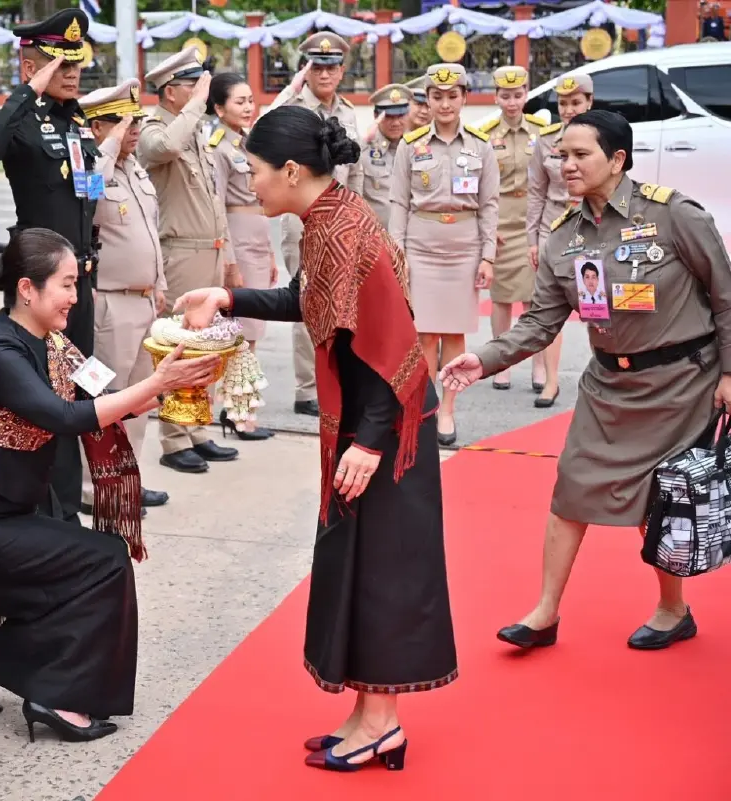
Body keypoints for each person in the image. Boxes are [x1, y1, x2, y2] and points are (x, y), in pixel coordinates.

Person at [175, 107, 456, 772]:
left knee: (384, 573)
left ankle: (383, 722)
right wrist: (228, 297)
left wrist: (371, 441)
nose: (251, 183)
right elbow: (307, 301)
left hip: (384, 428)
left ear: (292, 171)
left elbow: (395, 345)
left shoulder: (341, 229)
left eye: (256, 171)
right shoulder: (328, 217)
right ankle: (365, 711)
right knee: (358, 567)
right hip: (366, 422)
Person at [0, 227, 221, 743]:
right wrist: (153, 387)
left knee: (80, 584)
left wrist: (173, 386)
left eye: (78, 283)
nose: (76, 297)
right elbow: (61, 415)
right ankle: (55, 695)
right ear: (27, 289)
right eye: (67, 284)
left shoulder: (54, 343)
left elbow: (108, 395)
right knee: (103, 562)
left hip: (19, 511)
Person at [440, 110, 731, 650]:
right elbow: (539, 322)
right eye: (561, 155)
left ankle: (673, 609)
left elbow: (725, 296)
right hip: (608, 387)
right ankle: (545, 613)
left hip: (682, 384)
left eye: (580, 155)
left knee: (661, 499)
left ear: (617, 159)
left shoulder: (673, 217)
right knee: (572, 487)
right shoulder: (564, 238)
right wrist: (484, 360)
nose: (566, 165)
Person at [0, 7, 99, 523]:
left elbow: (86, 202)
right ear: (31, 65)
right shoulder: (24, 118)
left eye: (76, 63)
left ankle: (66, 508)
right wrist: (28, 91)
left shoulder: (77, 119)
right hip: (39, 285)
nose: (71, 72)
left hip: (80, 282)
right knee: (43, 395)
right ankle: (43, 510)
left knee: (80, 386)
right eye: (58, 63)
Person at [137, 47, 239, 473]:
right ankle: (175, 439)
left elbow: (214, 200)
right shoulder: (155, 126)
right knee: (179, 347)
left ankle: (198, 430)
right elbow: (160, 149)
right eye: (192, 86)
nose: (201, 92)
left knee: (206, 345)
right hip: (180, 252)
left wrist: (229, 254)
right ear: (171, 91)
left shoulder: (194, 130)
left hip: (209, 249)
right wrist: (197, 106)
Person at [388, 62, 499, 446]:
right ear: (428, 100)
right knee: (422, 335)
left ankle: (447, 412)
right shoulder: (410, 144)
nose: (446, 103)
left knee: (454, 335)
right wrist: (396, 252)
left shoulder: (481, 146)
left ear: (465, 98)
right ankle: (424, 408)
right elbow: (399, 203)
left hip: (464, 247)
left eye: (453, 96)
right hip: (421, 244)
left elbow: (489, 205)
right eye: (437, 96)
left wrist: (488, 256)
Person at [77, 78, 171, 512]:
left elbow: (149, 232)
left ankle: (127, 479)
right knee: (106, 398)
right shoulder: (94, 168)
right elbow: (84, 199)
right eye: (122, 122)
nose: (133, 130)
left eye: (136, 122)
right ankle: (97, 487)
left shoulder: (136, 170)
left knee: (140, 397)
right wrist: (109, 147)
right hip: (110, 303)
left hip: (145, 299)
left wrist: (162, 285)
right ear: (97, 127)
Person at [270, 33, 363, 420]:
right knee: (308, 302)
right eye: (317, 66)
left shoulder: (349, 111)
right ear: (306, 70)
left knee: (341, 302)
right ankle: (307, 389)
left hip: (341, 219)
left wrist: (357, 218)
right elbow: (265, 139)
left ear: (342, 71)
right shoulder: (294, 107)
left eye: (331, 66)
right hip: (304, 219)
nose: (324, 73)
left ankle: (336, 381)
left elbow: (354, 172)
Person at [477, 66, 553, 402]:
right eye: (505, 96)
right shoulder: (484, 134)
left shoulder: (542, 130)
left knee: (536, 298)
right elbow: (480, 187)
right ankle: (502, 361)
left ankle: (539, 363)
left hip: (535, 219)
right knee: (502, 297)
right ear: (496, 96)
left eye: (518, 94)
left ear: (527, 93)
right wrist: (487, 230)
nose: (511, 102)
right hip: (502, 220)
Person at [208, 71, 277, 441]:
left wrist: (267, 255)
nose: (248, 107)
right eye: (239, 101)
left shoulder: (249, 143)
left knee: (251, 335)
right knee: (240, 335)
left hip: (256, 239)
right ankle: (237, 413)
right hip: (236, 240)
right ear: (219, 108)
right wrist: (230, 261)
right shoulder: (218, 147)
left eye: (250, 100)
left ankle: (240, 410)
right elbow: (218, 208)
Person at [525, 72, 595, 404]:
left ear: (589, 102)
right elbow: (536, 193)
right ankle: (551, 381)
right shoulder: (546, 139)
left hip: (594, 223)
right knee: (550, 307)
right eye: (563, 103)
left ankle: (602, 378)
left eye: (576, 103)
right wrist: (533, 239)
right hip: (554, 224)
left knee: (598, 308)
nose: (569, 110)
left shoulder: (605, 138)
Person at [360, 84, 413, 226]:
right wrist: (363, 142)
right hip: (375, 239)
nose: (395, 123)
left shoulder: (417, 148)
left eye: (400, 115)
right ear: (376, 116)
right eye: (388, 117)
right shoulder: (364, 149)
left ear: (408, 114)